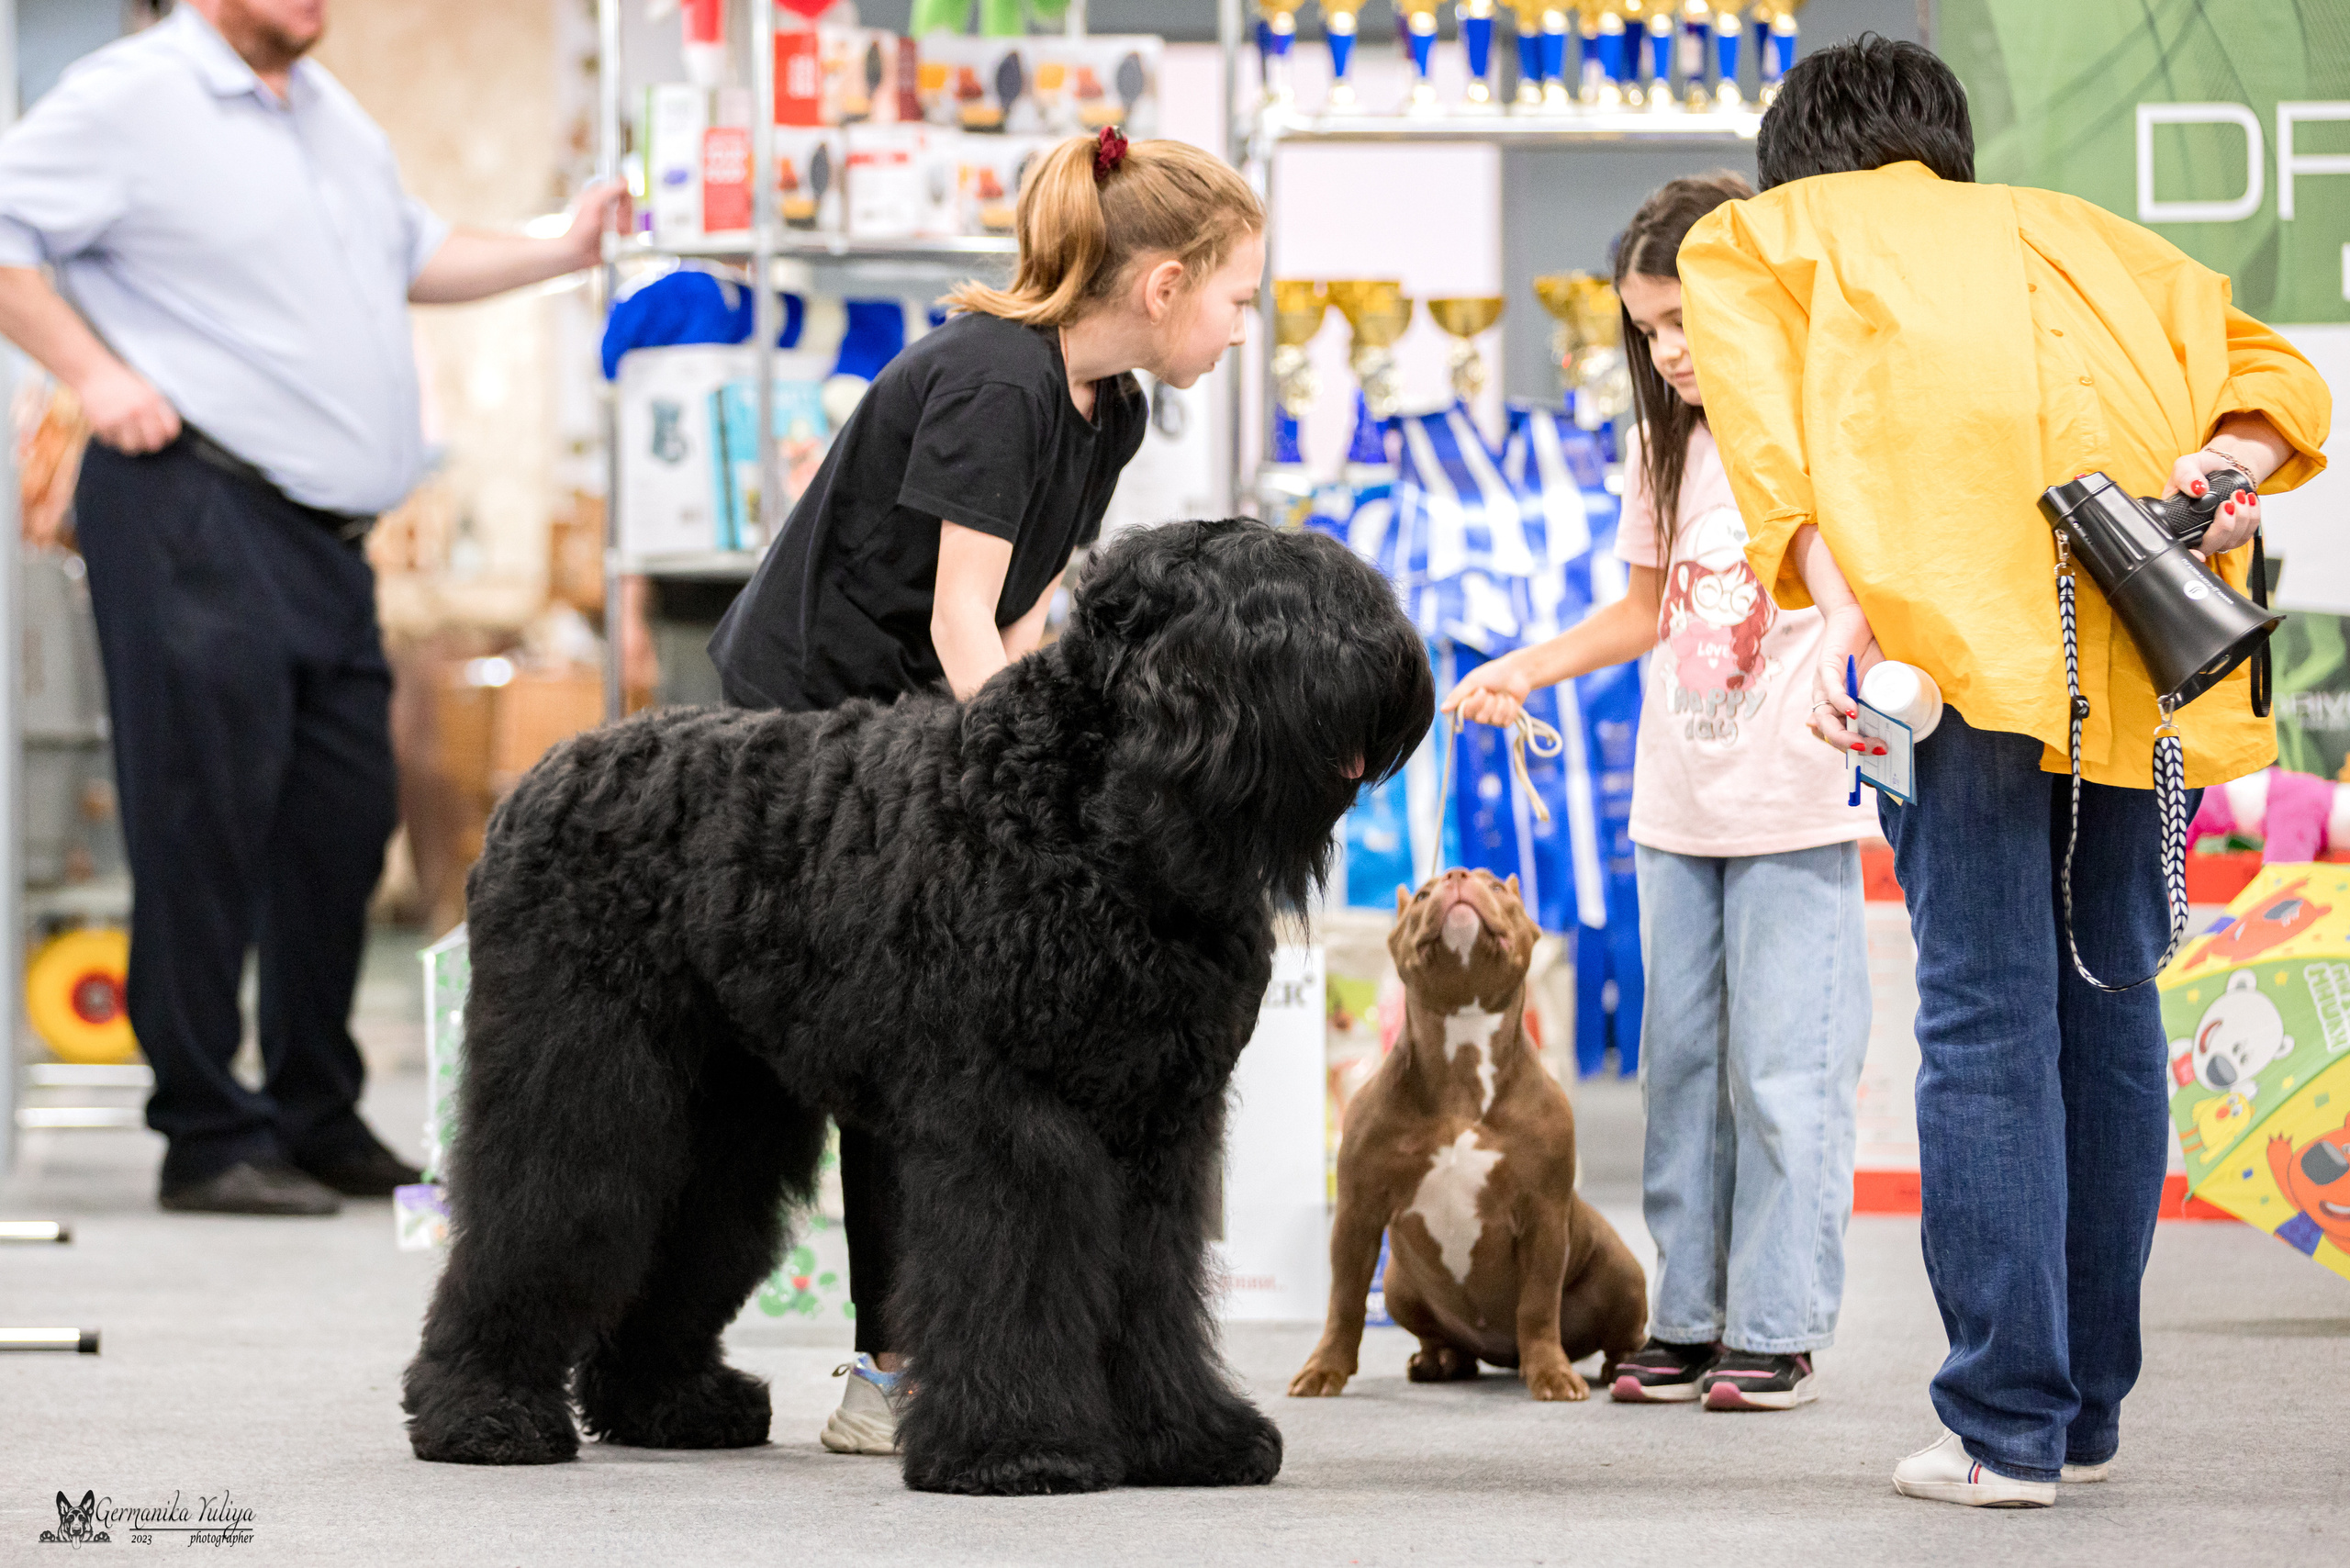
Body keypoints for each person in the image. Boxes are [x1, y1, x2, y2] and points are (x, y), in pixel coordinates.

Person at [1675, 36, 2331, 1505]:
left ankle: (1999, 1428)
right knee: (2110, 1007)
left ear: (1797, 158)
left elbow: (1777, 459)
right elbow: (2276, 377)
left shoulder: (1764, 238)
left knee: (1982, 1018)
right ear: (1947, 141)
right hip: (2127, 673)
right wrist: (2223, 471)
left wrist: (1840, 617)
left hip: (1954, 666)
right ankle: (2082, 1418)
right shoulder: (2095, 236)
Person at [0, 0, 625, 1215]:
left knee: (338, 821)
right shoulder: (137, 95)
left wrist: (566, 243)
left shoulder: (326, 114)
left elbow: (418, 254)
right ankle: (205, 1133)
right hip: (193, 498)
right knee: (203, 816)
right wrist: (95, 375)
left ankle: (313, 1109)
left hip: (322, 536)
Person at [708, 127, 1264, 1455]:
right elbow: (960, 619)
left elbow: (1019, 619)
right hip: (811, 711)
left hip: (925, 705)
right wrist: (1037, 787)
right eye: (1240, 298)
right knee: (915, 1035)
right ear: (1166, 285)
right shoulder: (995, 381)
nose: (1244, 328)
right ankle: (891, 1370)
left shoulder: (1111, 410)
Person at [1445, 174, 1875, 1414]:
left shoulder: (1821, 432)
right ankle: (1690, 1316)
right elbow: (1644, 613)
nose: (1669, 349)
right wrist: (1526, 666)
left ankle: (1778, 1326)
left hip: (1796, 797)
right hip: (1678, 804)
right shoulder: (1663, 446)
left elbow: (1860, 600)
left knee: (1785, 1075)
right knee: (1680, 1068)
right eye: (1648, 329)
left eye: (1685, 319)